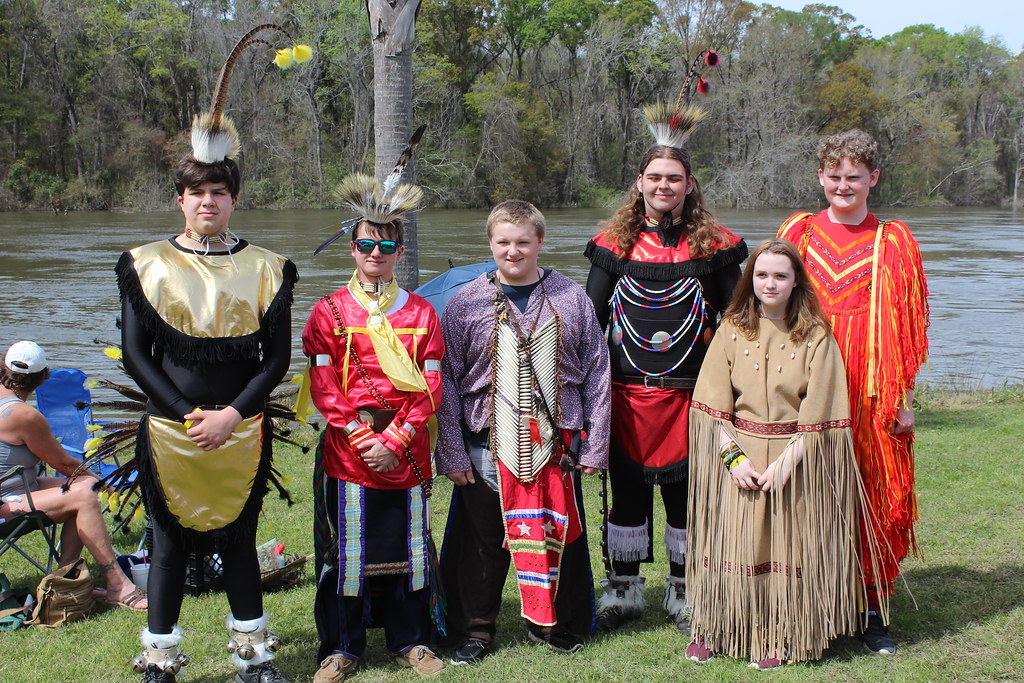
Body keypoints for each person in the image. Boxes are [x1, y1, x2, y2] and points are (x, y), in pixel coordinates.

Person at [118, 32, 303, 680]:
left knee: (240, 542)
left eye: (219, 192)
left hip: (241, 429)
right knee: (168, 546)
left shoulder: (269, 268)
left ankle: (254, 657)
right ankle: (160, 658)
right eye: (196, 193)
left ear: (234, 199)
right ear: (180, 198)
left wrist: (231, 415)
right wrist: (184, 412)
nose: (207, 202)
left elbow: (276, 360)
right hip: (170, 431)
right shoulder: (145, 265)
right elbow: (136, 355)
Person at [684, 238, 885, 669]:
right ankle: (717, 627)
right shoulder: (731, 330)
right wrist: (733, 458)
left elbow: (822, 412)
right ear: (750, 279)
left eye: (780, 275)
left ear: (796, 281)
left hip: (795, 458)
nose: (770, 283)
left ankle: (782, 634)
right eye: (761, 274)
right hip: (739, 455)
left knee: (785, 552)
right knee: (735, 547)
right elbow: (711, 407)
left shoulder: (816, 336)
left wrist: (788, 462)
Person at [584, 108, 747, 633]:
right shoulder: (614, 246)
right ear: (639, 182)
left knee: (687, 497)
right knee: (628, 495)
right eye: (654, 176)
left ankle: (685, 592)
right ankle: (623, 590)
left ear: (689, 184)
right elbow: (590, 321)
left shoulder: (715, 246)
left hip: (691, 397)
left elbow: (737, 322)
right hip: (627, 395)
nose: (663, 186)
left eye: (674, 178)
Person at [436, 200, 611, 665]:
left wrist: (595, 445)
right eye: (503, 242)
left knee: (559, 536)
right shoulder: (466, 302)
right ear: (490, 243)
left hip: (558, 444)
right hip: (486, 440)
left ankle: (556, 623)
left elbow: (597, 372)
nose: (513, 251)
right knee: (483, 543)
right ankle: (475, 630)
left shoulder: (570, 296)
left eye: (522, 242)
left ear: (540, 242)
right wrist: (451, 453)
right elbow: (447, 381)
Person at [777, 129, 929, 655]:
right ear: (820, 176)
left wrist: (902, 399)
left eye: (854, 177)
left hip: (870, 392)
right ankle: (813, 604)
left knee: (874, 493)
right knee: (807, 489)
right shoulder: (798, 231)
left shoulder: (893, 240)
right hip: (805, 384)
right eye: (835, 176)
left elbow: (905, 329)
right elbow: (771, 304)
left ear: (873, 178)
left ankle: (873, 610)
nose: (843, 185)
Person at [303, 171, 445, 683]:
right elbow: (324, 387)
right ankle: (341, 647)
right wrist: (365, 440)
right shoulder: (329, 313)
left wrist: (396, 440)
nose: (376, 253)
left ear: (399, 251)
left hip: (406, 450)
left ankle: (412, 640)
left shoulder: (422, 313)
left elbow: (431, 386)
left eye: (386, 245)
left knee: (411, 549)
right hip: (349, 451)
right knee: (347, 552)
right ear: (353, 247)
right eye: (367, 244)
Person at [0, 341, 147, 610]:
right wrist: (103, 483)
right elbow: (64, 463)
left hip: (16, 487)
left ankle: (66, 582)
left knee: (84, 486)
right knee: (87, 493)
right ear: (42, 378)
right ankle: (117, 585)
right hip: (6, 503)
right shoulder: (22, 415)